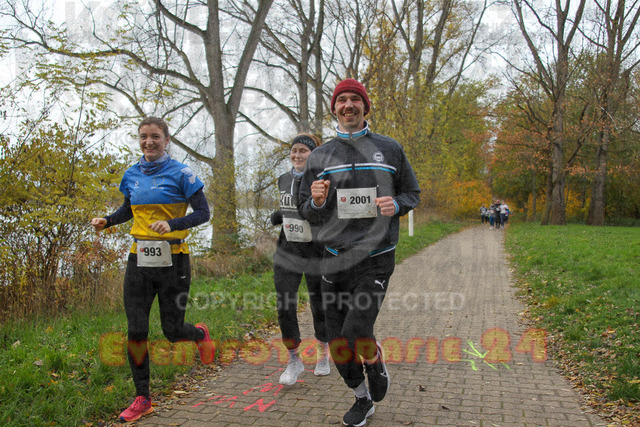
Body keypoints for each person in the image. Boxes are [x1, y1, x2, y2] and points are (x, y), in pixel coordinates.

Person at [298, 79, 421, 426]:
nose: (348, 105)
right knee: (337, 343)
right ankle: (361, 398)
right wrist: (317, 201)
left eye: (355, 99)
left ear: (365, 107)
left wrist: (396, 204)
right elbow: (306, 209)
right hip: (334, 258)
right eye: (342, 100)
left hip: (375, 257)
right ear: (334, 109)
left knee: (355, 332)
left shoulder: (389, 148)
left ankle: (373, 357)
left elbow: (412, 192)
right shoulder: (319, 157)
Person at [90, 117, 214, 422]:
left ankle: (199, 335)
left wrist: (172, 224)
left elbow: (203, 213)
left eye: (155, 136)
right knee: (136, 330)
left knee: (172, 331)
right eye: (144, 136)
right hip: (139, 260)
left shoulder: (182, 173)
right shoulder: (131, 174)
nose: (149, 142)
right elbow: (127, 210)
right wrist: (108, 221)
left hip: (174, 260)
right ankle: (142, 397)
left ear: (166, 139)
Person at [270, 133, 330, 385]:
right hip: (288, 250)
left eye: (302, 151)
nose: (296, 155)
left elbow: (326, 211)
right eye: (294, 150)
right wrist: (278, 216)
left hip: (315, 250)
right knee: (285, 304)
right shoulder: (283, 179)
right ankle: (294, 359)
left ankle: (323, 354)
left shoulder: (322, 180)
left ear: (313, 154)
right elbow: (289, 206)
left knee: (319, 304)